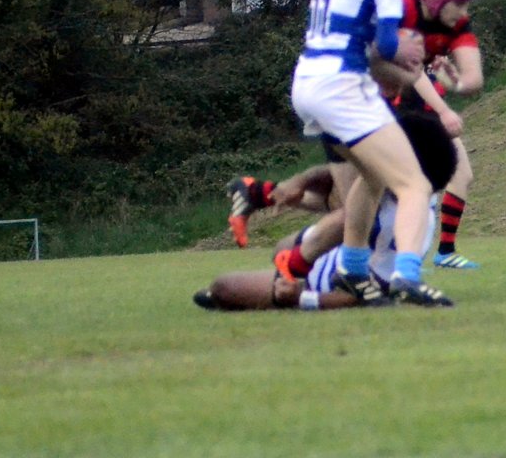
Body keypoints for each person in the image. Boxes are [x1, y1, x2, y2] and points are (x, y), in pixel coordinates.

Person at [289, 0, 445, 306]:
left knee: (374, 175)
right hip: (342, 84)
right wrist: (407, 50)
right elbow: (389, 43)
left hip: (308, 81)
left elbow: (351, 24)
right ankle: (407, 278)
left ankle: (353, 269)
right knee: (414, 183)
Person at [196, 107, 459, 311]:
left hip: (320, 282)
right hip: (317, 252)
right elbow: (340, 175)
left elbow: (366, 295)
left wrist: (302, 298)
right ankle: (264, 193)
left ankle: (263, 199)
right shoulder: (399, 190)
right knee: (346, 196)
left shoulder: (407, 226)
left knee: (223, 287)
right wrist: (301, 180)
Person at [403, 0, 485, 270]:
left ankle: (445, 251)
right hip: (401, 112)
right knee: (399, 188)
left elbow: (468, 79)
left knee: (462, 175)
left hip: (428, 113)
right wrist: (444, 109)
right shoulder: (407, 14)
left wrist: (453, 80)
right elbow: (412, 72)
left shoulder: (449, 26)